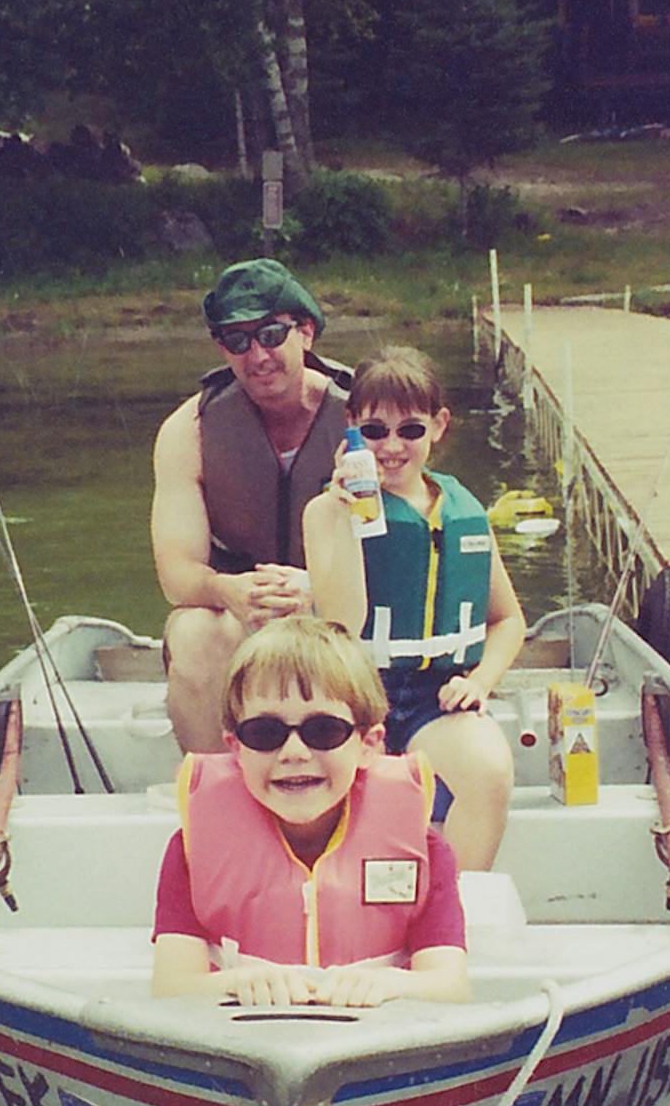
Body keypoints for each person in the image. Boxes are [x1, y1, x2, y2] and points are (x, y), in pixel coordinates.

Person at [151, 617, 469, 1009]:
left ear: (368, 744)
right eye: (265, 733)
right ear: (236, 747)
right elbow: (170, 987)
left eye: (324, 731)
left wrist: (389, 985)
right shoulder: (191, 851)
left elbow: (451, 986)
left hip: (375, 1038)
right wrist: (240, 983)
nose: (295, 753)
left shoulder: (428, 851)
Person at [303, 346, 525, 872]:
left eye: (411, 430)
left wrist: (481, 681)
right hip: (352, 695)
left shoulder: (464, 510)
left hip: (434, 697)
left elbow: (507, 619)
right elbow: (340, 623)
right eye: (375, 431)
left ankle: (454, 911)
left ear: (439, 427)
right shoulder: (323, 512)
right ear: (352, 425)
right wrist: (348, 516)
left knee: (489, 772)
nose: (392, 446)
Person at [150, 259, 352, 753]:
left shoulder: (362, 415)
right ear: (222, 348)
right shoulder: (188, 431)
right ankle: (216, 788)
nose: (257, 355)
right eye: (237, 341)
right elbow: (177, 574)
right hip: (242, 607)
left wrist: (319, 589)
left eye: (270, 334)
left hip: (342, 604)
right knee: (195, 631)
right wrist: (229, 590)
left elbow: (408, 535)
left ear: (305, 331)